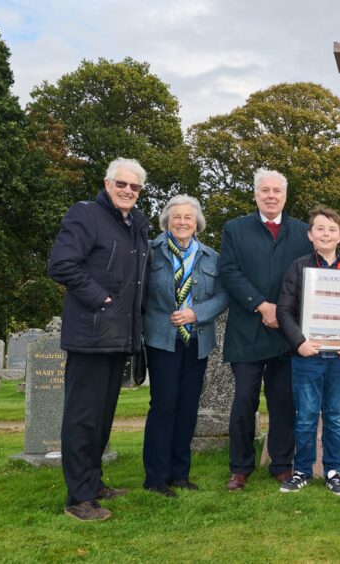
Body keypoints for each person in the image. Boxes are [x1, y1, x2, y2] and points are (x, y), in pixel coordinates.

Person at [49, 157, 150, 521]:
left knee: (103, 417)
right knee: (82, 418)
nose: (127, 191)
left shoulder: (135, 223)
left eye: (134, 187)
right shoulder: (86, 214)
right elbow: (61, 264)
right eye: (121, 184)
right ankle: (79, 498)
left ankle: (94, 483)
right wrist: (102, 300)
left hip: (118, 337)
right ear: (108, 184)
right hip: (90, 333)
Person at [218, 169, 312, 491]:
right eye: (265, 190)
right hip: (247, 330)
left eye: (277, 191)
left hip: (286, 333)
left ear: (285, 196)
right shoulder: (235, 229)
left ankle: (282, 465)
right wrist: (261, 305)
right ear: (255, 194)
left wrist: (282, 311)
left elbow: (310, 276)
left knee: (283, 401)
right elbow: (229, 272)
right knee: (244, 400)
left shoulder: (303, 232)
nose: (271, 196)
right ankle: (240, 467)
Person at [276, 205, 340, 496]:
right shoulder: (298, 267)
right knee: (305, 415)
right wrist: (299, 342)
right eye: (320, 228)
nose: (326, 234)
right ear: (310, 234)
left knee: (334, 415)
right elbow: (284, 310)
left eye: (332, 229)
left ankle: (333, 472)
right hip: (307, 356)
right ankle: (303, 471)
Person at [142, 195, 228, 497]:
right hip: (162, 340)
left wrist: (197, 313)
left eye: (188, 218)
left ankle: (180, 473)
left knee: (188, 407)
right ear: (167, 221)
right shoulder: (150, 253)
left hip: (197, 341)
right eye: (176, 217)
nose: (182, 222)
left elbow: (222, 296)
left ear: (197, 223)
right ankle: (155, 477)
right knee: (164, 405)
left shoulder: (210, 257)